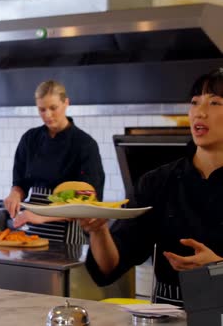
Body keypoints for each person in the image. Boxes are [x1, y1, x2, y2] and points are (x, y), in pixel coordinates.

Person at [82, 68, 223, 306]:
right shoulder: (158, 181)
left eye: (215, 103)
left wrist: (217, 269)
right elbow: (111, 265)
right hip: (166, 315)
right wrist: (98, 231)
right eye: (195, 102)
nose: (200, 112)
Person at [3, 80, 105, 244]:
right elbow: (20, 183)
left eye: (53, 108)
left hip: (66, 237)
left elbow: (89, 201)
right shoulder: (30, 139)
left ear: (66, 103)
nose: (47, 115)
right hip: (32, 233)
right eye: (42, 109)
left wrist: (41, 215)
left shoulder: (84, 144)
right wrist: (15, 194)